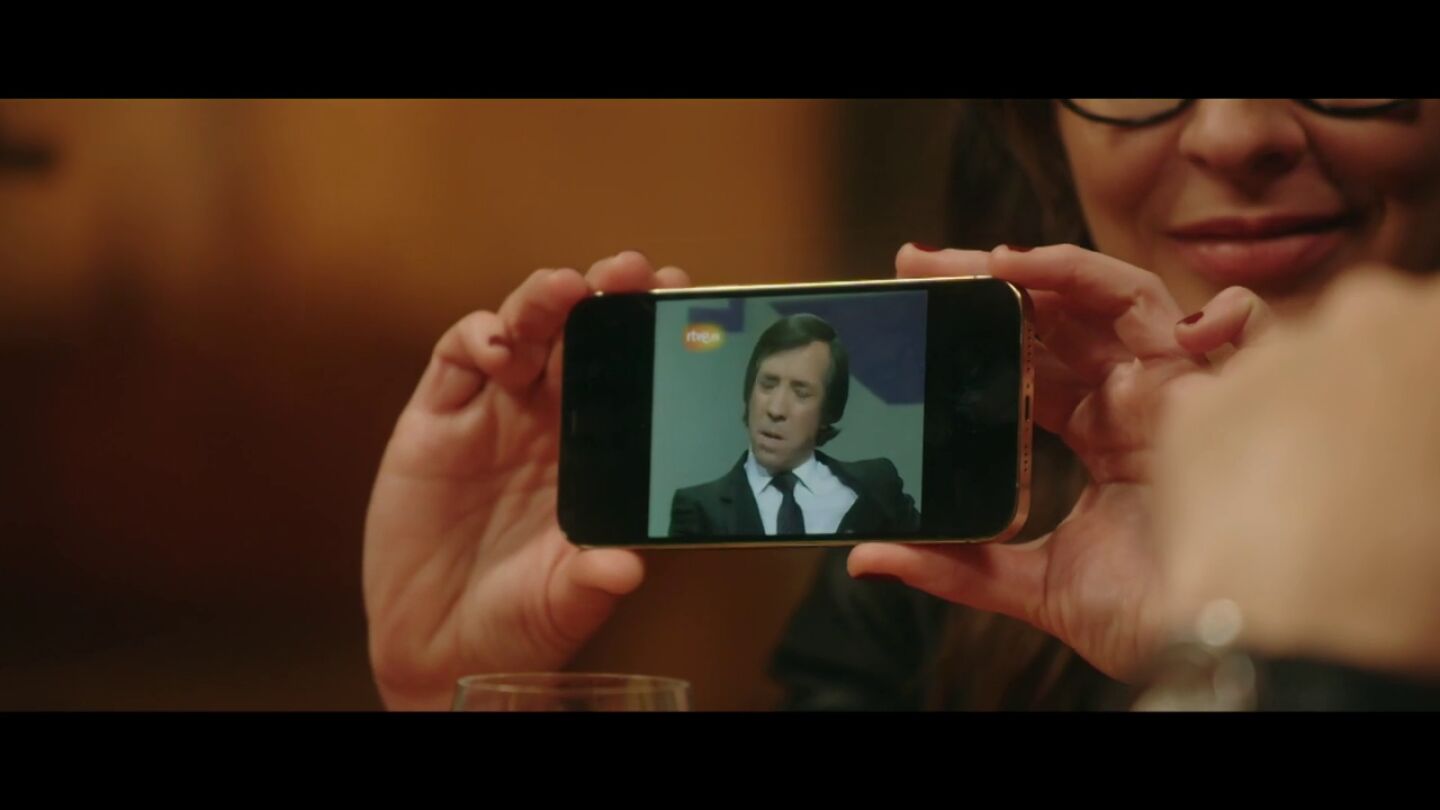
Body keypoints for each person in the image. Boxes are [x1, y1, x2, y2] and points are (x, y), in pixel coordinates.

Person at [363, 99, 1440, 711]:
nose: (1234, 131)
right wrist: (454, 695)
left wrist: (1253, 661)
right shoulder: (930, 561)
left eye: (802, 390)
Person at [668, 313, 920, 539]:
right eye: (767, 385)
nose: (776, 410)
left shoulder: (878, 487)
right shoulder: (699, 509)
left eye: (801, 393)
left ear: (828, 410)